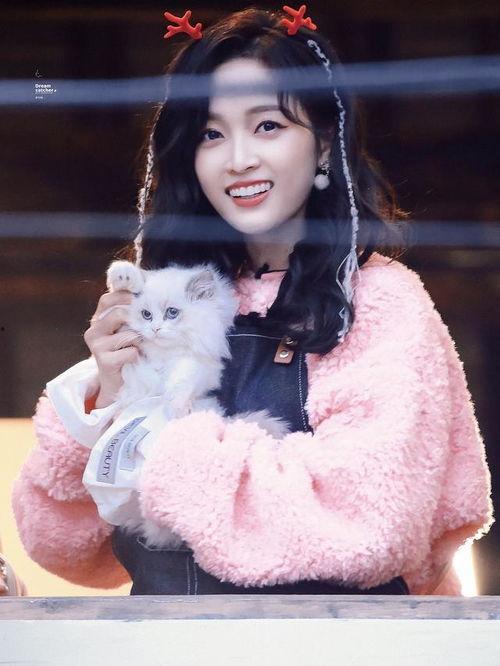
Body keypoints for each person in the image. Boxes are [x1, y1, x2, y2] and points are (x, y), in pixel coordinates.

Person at [12, 7, 493, 596]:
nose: (238, 158)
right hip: (160, 641)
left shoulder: (382, 301)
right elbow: (63, 543)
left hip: (333, 640)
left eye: (267, 125)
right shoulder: (170, 299)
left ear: (323, 143)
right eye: (211, 134)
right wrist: (109, 398)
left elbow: (367, 525)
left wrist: (161, 448)